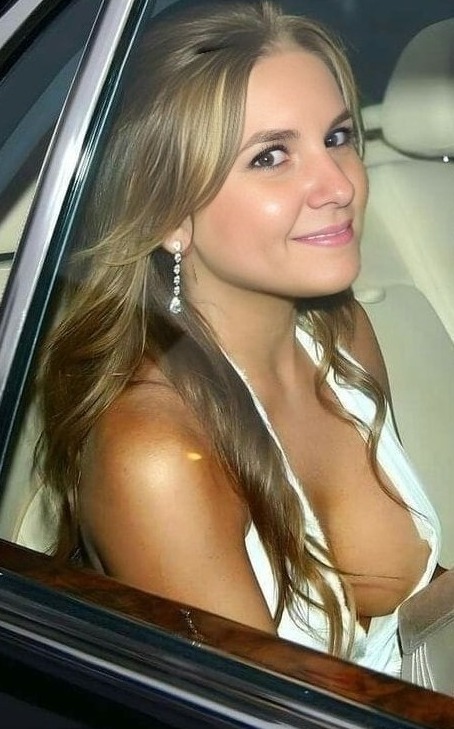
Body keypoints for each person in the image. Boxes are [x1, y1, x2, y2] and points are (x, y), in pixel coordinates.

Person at [36, 0, 442, 677]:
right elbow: (263, 707)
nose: (337, 185)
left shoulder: (340, 335)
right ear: (168, 215)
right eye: (271, 156)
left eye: (337, 137)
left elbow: (415, 612)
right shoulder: (155, 452)